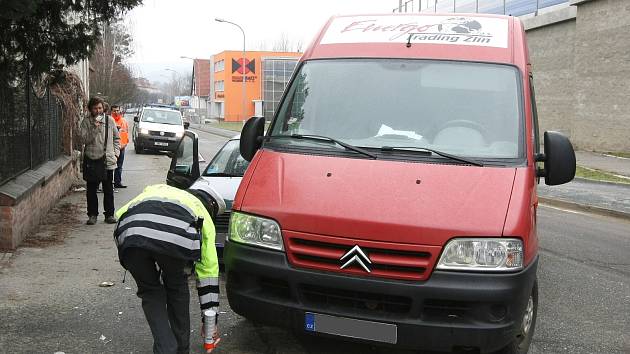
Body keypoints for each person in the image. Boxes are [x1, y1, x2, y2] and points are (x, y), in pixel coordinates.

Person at [114, 181, 225, 354]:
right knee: (177, 286)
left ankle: (165, 348)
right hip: (175, 237)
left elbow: (120, 214)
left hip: (130, 234)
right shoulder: (201, 213)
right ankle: (181, 349)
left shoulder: (155, 189)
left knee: (150, 292)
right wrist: (210, 320)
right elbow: (208, 272)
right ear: (210, 205)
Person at [79, 97, 120, 225]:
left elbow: (116, 139)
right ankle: (92, 215)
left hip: (107, 159)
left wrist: (116, 154)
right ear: (91, 109)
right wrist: (94, 128)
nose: (98, 110)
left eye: (100, 108)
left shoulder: (110, 120)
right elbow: (84, 140)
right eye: (95, 108)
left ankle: (109, 214)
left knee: (108, 188)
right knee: (91, 189)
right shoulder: (86, 122)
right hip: (92, 159)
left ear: (104, 108)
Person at [111, 105, 129, 189]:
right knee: (110, 166)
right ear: (111, 111)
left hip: (122, 147)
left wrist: (125, 143)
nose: (116, 112)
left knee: (119, 166)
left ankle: (117, 182)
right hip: (112, 147)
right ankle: (109, 183)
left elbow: (126, 132)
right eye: (114, 111)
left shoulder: (123, 121)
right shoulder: (110, 121)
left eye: (117, 110)